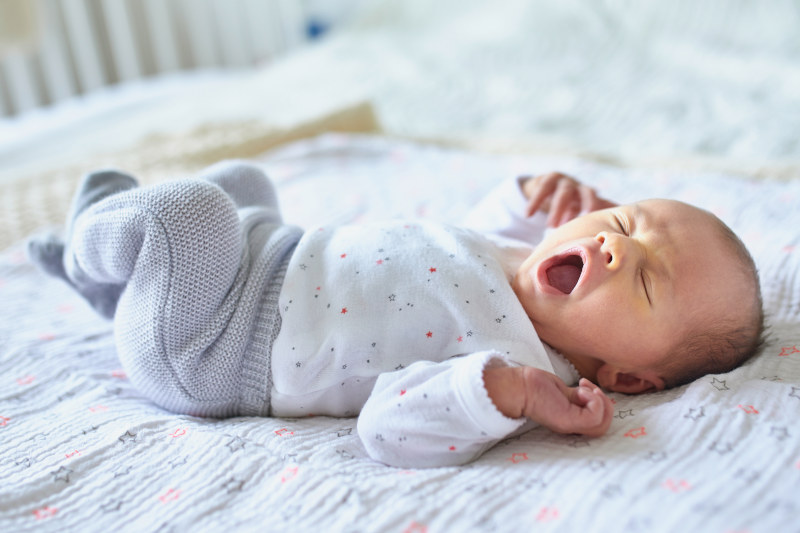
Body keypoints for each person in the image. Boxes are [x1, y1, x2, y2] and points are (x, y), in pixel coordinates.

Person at [26, 161, 765, 468]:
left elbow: (388, 429)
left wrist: (504, 393)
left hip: (212, 345)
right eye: (627, 222)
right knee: (244, 181)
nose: (612, 248)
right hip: (266, 257)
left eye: (645, 281)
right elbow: (451, 242)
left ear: (626, 376)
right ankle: (118, 288)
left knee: (189, 214)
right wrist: (527, 195)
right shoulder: (517, 259)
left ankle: (92, 247)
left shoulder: (518, 362)